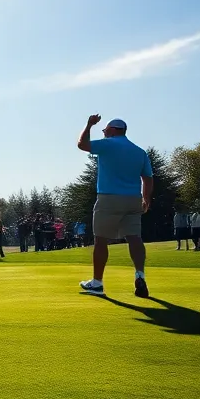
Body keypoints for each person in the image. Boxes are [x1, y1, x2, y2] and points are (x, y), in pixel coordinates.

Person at [77, 115, 154, 297]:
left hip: (109, 198)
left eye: (104, 131)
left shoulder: (108, 144)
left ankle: (97, 283)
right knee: (134, 237)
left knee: (101, 240)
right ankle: (140, 275)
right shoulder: (139, 151)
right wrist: (146, 199)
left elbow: (82, 144)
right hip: (133, 199)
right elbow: (148, 178)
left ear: (112, 130)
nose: (103, 134)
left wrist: (89, 125)